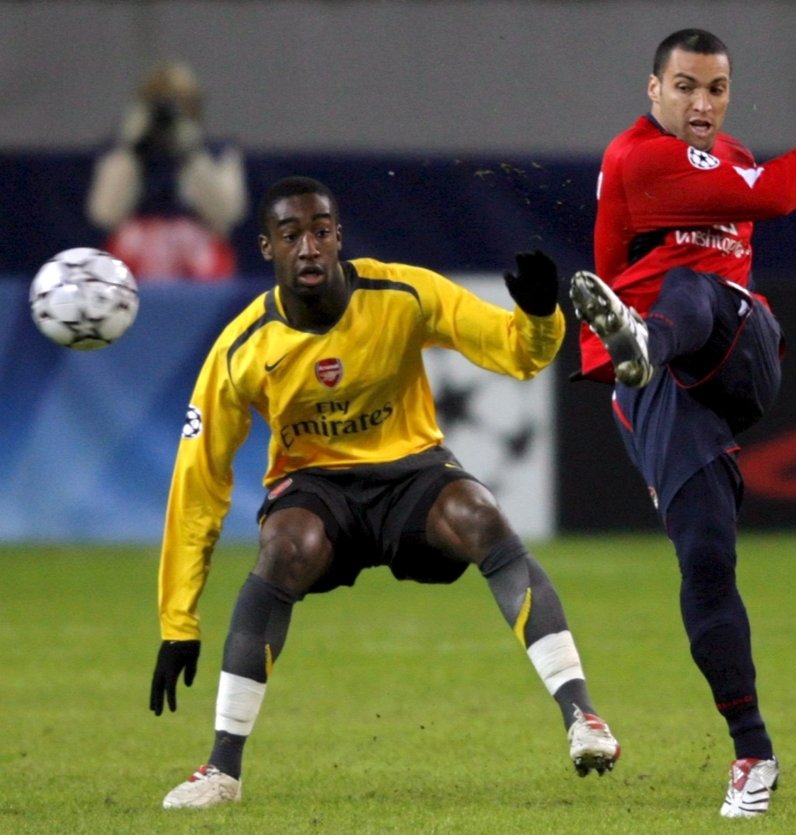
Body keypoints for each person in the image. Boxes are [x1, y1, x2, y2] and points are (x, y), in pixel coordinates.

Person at [150, 175, 620, 809]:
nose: (309, 247)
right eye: (292, 236)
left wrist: (539, 317)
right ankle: (222, 770)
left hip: (411, 475)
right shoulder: (242, 349)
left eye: (321, 231)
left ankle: (582, 718)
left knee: (482, 517)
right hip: (317, 491)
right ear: (267, 249)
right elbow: (198, 484)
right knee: (283, 548)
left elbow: (517, 354)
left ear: (339, 236)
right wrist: (178, 621)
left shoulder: (402, 292)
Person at [568, 29, 796, 818]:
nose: (703, 104)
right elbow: (778, 190)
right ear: (653, 89)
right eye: (688, 87)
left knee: (693, 291)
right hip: (667, 385)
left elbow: (769, 197)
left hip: (736, 345)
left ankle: (642, 345)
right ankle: (753, 753)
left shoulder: (720, 157)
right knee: (704, 558)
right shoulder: (641, 157)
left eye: (718, 88)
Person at [86, 60, 247, 282]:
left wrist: (191, 153)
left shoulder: (217, 152)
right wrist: (130, 149)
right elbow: (103, 214)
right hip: (134, 262)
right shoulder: (122, 153)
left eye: (181, 101)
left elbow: (229, 213)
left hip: (197, 263)